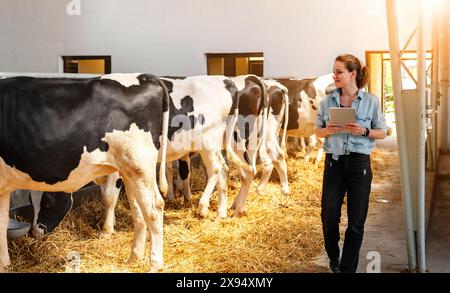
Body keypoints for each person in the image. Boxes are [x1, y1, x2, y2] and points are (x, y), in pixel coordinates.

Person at [315, 54, 387, 273]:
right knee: (328, 218)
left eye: (339, 72)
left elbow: (383, 132)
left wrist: (364, 131)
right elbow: (317, 131)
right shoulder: (327, 101)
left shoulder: (371, 101)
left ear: (352, 74)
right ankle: (334, 257)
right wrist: (328, 130)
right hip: (333, 165)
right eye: (334, 71)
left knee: (356, 223)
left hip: (359, 166)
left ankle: (346, 269)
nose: (335, 75)